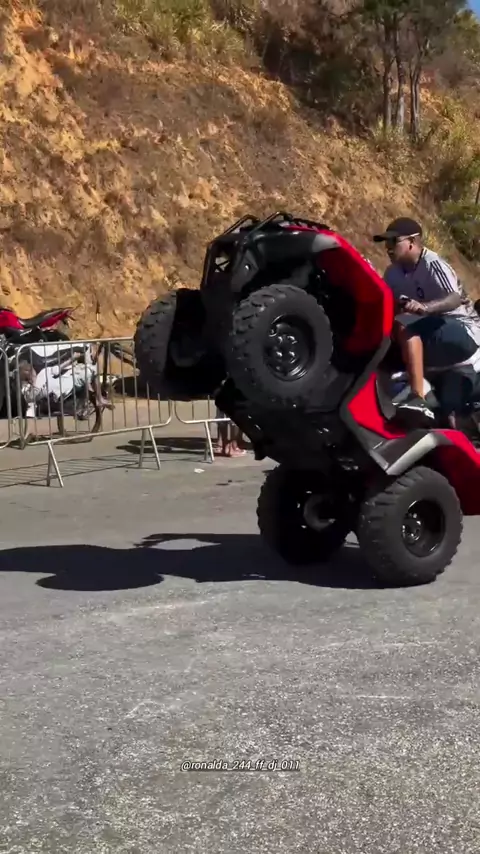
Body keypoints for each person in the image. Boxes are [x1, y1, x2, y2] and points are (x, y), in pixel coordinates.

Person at [373, 217, 480, 424]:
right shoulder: (392, 274)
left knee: (404, 325)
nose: (388, 248)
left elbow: (454, 298)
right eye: (386, 243)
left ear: (412, 242)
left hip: (464, 331)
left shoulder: (432, 263)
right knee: (386, 346)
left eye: (394, 241)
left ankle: (417, 398)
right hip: (431, 334)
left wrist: (425, 308)